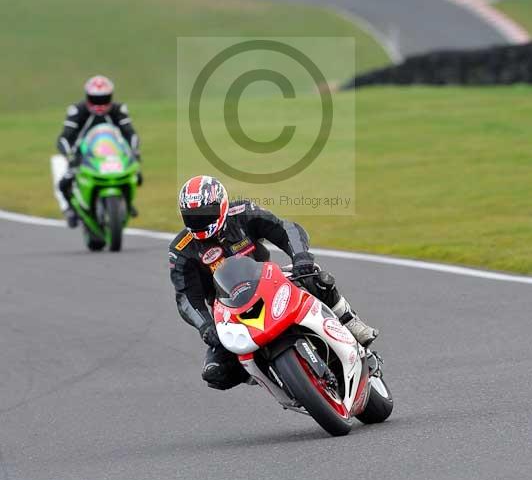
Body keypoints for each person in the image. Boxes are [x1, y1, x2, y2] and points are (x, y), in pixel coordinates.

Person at [168, 175, 378, 391]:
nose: (199, 220)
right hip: (229, 309)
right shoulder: (182, 249)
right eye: (192, 215)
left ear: (221, 204)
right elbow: (185, 297)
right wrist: (205, 325)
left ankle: (349, 321)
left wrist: (301, 256)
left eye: (204, 213)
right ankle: (278, 378)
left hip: (270, 282)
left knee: (316, 278)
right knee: (215, 373)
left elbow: (285, 228)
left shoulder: (242, 212)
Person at [56, 75, 141, 227]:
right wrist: (70, 155)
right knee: (64, 182)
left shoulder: (118, 109)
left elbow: (130, 134)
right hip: (83, 156)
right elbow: (64, 137)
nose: (100, 104)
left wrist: (134, 152)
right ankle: (71, 209)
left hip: (113, 154)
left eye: (104, 99)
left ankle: (126, 203)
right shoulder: (77, 110)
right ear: (88, 97)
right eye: (96, 99)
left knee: (137, 176)